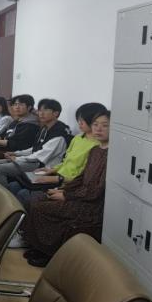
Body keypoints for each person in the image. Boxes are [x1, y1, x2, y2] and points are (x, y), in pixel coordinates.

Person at [22, 110, 111, 267]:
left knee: (39, 206)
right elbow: (81, 178)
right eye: (95, 124)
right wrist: (63, 190)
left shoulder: (112, 155)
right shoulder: (96, 150)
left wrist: (67, 196)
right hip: (79, 196)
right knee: (36, 199)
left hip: (91, 205)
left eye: (105, 125)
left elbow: (96, 190)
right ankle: (37, 246)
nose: (98, 129)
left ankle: (49, 252)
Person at [7, 102, 106, 208]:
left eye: (84, 120)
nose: (80, 123)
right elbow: (66, 161)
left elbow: (84, 177)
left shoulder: (97, 146)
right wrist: (52, 169)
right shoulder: (78, 138)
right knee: (15, 185)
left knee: (22, 193)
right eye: (79, 119)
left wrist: (56, 179)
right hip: (58, 176)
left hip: (67, 182)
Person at [0, 98, 71, 179]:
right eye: (39, 110)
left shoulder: (59, 134)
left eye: (45, 110)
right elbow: (36, 148)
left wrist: (17, 158)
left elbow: (40, 155)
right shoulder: (45, 128)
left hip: (44, 166)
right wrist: (16, 153)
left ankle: (3, 187)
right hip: (34, 160)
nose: (41, 113)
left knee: (0, 168)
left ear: (56, 113)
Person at [0, 94, 39, 159]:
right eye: (15, 104)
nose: (17, 107)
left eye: (21, 104)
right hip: (5, 146)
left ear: (29, 107)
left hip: (14, 152)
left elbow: (16, 145)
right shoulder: (16, 121)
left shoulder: (30, 125)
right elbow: (5, 134)